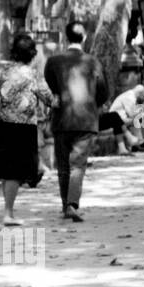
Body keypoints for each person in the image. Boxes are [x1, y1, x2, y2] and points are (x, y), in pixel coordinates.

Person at [0, 31, 55, 228]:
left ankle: (9, 209)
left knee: (7, 169)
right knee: (15, 172)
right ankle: (8, 213)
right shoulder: (33, 76)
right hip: (22, 128)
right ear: (32, 54)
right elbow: (49, 99)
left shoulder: (0, 72)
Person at [44, 20, 109, 223]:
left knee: (63, 165)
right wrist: (92, 105)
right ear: (85, 37)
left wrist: (60, 97)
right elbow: (103, 92)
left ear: (65, 36)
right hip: (86, 120)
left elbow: (51, 87)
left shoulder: (53, 62)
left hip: (62, 118)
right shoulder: (93, 62)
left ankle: (66, 205)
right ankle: (72, 204)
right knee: (78, 165)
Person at [99, 83, 144, 154]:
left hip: (120, 118)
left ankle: (139, 142)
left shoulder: (130, 95)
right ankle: (140, 142)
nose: (143, 98)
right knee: (139, 118)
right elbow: (131, 114)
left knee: (140, 116)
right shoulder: (129, 97)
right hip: (120, 118)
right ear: (139, 93)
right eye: (143, 96)